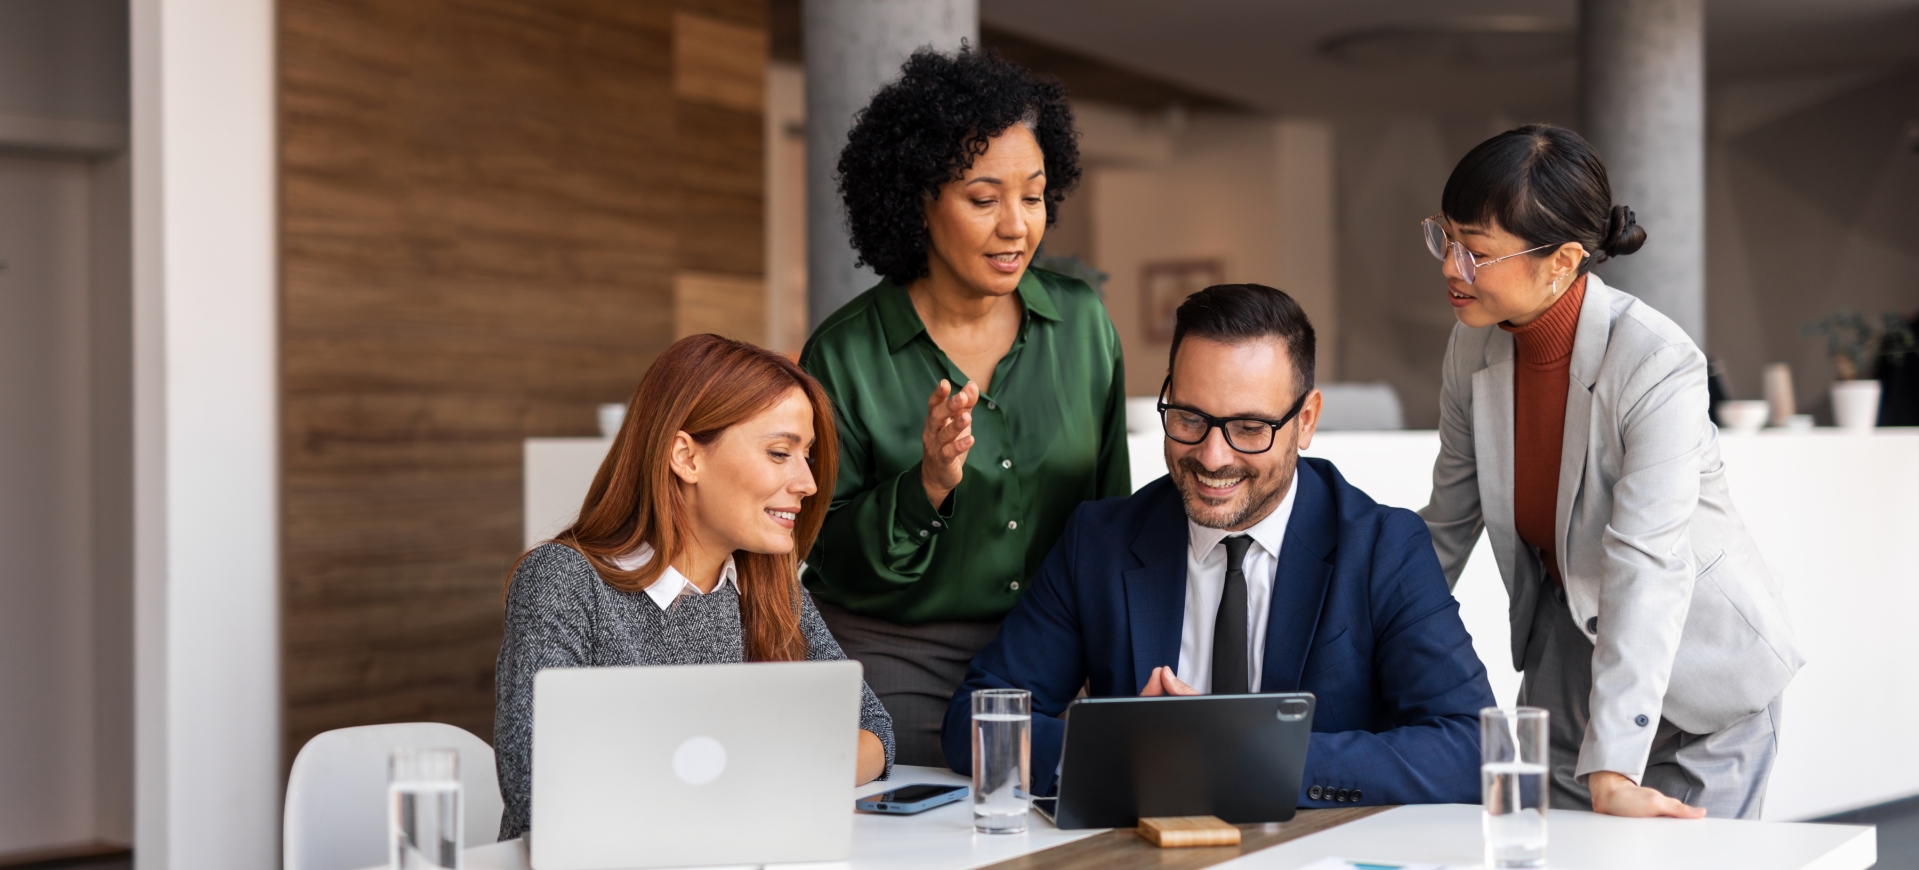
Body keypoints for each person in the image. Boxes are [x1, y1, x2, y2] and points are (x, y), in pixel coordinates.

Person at [942, 284, 1496, 805]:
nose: (1212, 457)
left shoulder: (1382, 548)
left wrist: (1247, 754)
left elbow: (1471, 746)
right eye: (1188, 418)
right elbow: (977, 717)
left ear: (1305, 422)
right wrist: (1122, 751)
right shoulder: (1100, 541)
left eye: (1249, 429)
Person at [1418, 125, 1802, 819]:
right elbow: (1444, 525)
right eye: (1443, 239)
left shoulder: (1655, 362)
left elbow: (1645, 560)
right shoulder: (1469, 350)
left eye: (1475, 251)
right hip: (1566, 653)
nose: (1450, 267)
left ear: (1562, 261)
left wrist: (1614, 770)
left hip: (1698, 670)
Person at [800, 45, 1128, 766]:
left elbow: (1111, 515)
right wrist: (924, 488)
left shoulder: (1082, 326)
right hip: (893, 659)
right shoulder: (845, 354)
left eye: (1033, 196)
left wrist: (1110, 659)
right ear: (917, 201)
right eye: (984, 199)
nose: (1016, 226)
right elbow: (822, 552)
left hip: (1048, 654)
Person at [493, 335, 895, 840]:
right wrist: (772, 772)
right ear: (685, 457)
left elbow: (875, 733)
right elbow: (540, 790)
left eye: (807, 456)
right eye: (779, 452)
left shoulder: (770, 588)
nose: (808, 483)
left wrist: (730, 782)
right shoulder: (563, 581)